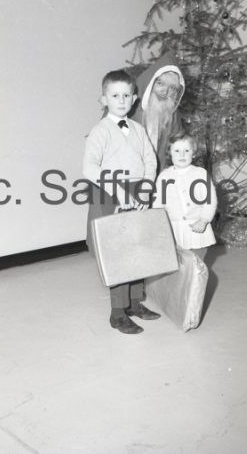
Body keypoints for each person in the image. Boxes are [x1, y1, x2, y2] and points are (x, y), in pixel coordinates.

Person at [83, 69, 160, 335]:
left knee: (138, 247)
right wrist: (118, 191)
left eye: (127, 95)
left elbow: (150, 160)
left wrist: (146, 189)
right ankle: (117, 312)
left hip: (137, 192)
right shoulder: (100, 131)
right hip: (110, 194)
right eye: (115, 95)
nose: (121, 100)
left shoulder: (138, 130)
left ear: (135, 99)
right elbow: (89, 168)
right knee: (118, 252)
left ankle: (135, 302)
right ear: (104, 100)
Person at [153, 130, 217, 260]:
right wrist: (159, 223)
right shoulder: (164, 176)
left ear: (193, 153)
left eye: (186, 151)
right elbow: (159, 203)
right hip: (174, 228)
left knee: (197, 263)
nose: (182, 155)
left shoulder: (200, 174)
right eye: (177, 151)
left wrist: (204, 219)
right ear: (170, 153)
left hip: (197, 227)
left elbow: (210, 201)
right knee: (179, 263)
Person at [131, 52, 185, 173]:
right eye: (160, 83)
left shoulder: (173, 117)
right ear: (151, 82)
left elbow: (177, 150)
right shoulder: (128, 108)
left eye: (172, 88)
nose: (165, 92)